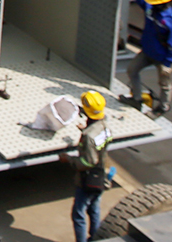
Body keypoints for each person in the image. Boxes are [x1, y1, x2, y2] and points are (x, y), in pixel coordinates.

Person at [118, 0, 172, 115]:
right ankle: (137, 99)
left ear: (162, 3)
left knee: (165, 83)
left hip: (162, 57)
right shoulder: (150, 9)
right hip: (147, 52)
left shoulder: (171, 21)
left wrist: (168, 64)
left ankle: (163, 107)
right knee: (132, 70)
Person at [62, 91, 113, 242]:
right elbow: (100, 143)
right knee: (94, 208)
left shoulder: (89, 136)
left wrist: (69, 159)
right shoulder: (105, 126)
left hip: (87, 180)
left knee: (78, 214)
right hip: (101, 175)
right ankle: (97, 238)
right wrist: (85, 130)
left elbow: (89, 161)